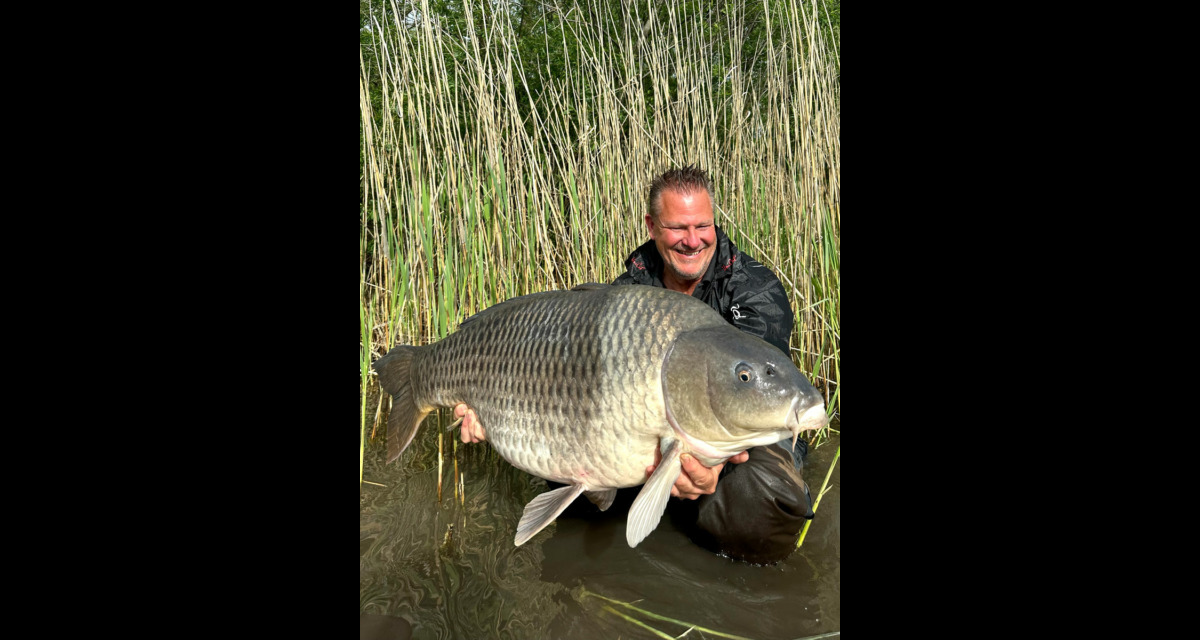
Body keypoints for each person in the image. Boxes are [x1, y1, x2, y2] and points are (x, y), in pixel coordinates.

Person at [455, 165, 814, 563]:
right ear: (652, 226)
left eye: (702, 226)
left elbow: (751, 384)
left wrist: (713, 465)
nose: (693, 240)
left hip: (736, 437)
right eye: (677, 228)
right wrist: (494, 408)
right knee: (578, 495)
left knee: (759, 500)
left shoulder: (753, 288)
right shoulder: (628, 294)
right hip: (643, 434)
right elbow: (571, 382)